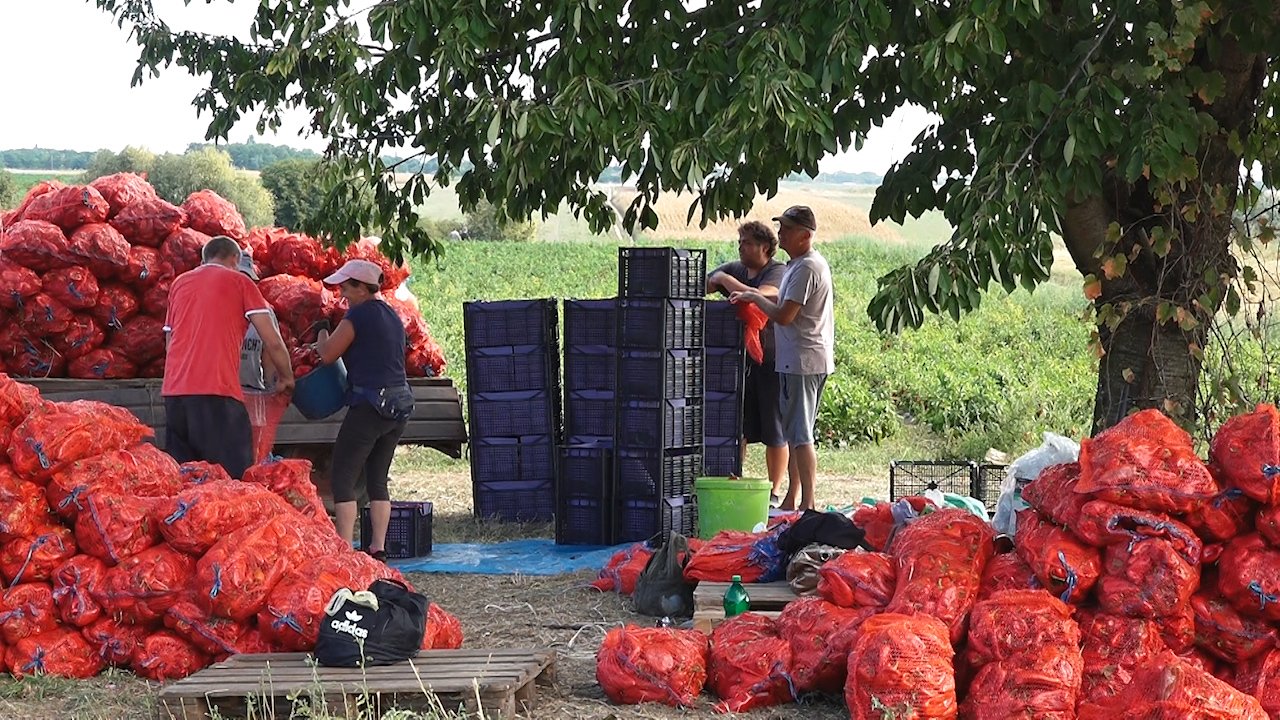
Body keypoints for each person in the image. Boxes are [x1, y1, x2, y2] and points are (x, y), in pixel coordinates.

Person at [162, 235, 295, 479]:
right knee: (231, 479)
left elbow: (171, 345)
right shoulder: (239, 282)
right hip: (217, 394)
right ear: (235, 259)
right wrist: (286, 377)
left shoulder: (180, 284)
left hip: (175, 395)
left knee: (184, 478)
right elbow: (272, 341)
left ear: (205, 259)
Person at [730, 206, 834, 511]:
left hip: (802, 361)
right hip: (802, 359)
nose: (781, 234)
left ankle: (808, 503)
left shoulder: (806, 269)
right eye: (781, 227)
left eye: (787, 229)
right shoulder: (799, 265)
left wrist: (754, 298)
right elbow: (785, 299)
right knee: (795, 433)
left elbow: (785, 315)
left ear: (806, 235)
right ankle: (792, 498)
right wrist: (753, 294)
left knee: (801, 436)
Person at [314, 259, 414, 561]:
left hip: (369, 405)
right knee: (377, 478)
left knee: (343, 477)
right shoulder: (391, 315)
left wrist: (321, 333)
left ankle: (344, 550)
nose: (342, 291)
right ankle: (377, 548)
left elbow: (329, 354)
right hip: (399, 405)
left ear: (361, 288)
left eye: (346, 286)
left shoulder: (356, 316)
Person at [705, 220, 792, 507]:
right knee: (736, 425)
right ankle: (734, 478)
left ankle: (775, 490)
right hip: (736, 361)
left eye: (746, 242)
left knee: (773, 427)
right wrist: (719, 278)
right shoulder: (736, 268)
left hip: (771, 359)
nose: (740, 247)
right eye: (740, 242)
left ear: (764, 248)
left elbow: (768, 294)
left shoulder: (777, 270)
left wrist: (726, 281)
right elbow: (707, 282)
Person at [236, 250, 283, 393]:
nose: (242, 284)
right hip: (219, 393)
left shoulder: (265, 312)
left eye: (247, 279)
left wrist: (270, 388)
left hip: (252, 390)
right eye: (238, 277)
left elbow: (269, 352)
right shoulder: (214, 309)